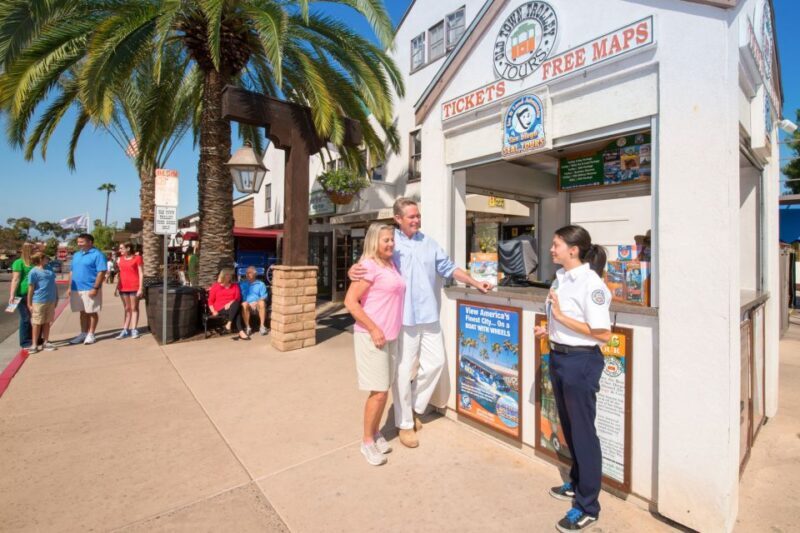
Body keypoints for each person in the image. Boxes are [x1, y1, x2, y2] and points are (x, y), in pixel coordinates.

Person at [350, 198, 492, 448]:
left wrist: (475, 282)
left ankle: (413, 407)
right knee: (403, 371)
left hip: (429, 315)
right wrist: (354, 270)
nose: (416, 220)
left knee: (435, 363)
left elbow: (449, 268)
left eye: (418, 216)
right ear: (398, 219)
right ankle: (404, 424)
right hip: (403, 319)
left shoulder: (428, 243)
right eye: (411, 217)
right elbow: (370, 260)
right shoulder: (389, 241)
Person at [533, 225, 611, 533]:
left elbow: (603, 334)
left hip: (581, 362)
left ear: (573, 250)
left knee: (583, 433)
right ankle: (577, 484)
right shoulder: (562, 277)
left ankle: (588, 505)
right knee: (569, 428)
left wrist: (563, 320)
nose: (552, 249)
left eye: (556, 245)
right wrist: (550, 330)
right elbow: (563, 317)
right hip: (560, 356)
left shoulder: (591, 283)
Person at [344, 223, 406, 466]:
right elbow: (350, 301)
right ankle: (367, 441)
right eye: (385, 241)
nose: (390, 244)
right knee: (378, 392)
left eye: (392, 239)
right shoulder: (368, 266)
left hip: (390, 336)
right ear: (374, 242)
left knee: (383, 390)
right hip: (373, 337)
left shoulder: (389, 264)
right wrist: (373, 328)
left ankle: (376, 431)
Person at [67, 233, 108, 345]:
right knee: (82, 312)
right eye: (78, 242)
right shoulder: (76, 255)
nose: (79, 244)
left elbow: (101, 272)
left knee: (92, 312)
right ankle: (83, 333)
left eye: (81, 242)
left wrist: (95, 288)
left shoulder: (98, 255)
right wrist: (69, 287)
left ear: (90, 242)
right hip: (76, 289)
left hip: (90, 288)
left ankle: (91, 334)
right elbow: (72, 271)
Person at [26, 252, 58, 352]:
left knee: (47, 321)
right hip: (39, 300)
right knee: (37, 323)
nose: (47, 259)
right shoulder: (33, 272)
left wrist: (56, 297)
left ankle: (46, 342)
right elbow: (31, 288)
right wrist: (29, 303)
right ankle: (34, 344)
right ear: (40, 259)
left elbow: (53, 283)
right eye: (45, 258)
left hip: (50, 300)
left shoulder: (49, 269)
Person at [208, 268, 249, 340]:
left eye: (230, 275)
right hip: (220, 308)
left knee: (236, 304)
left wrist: (230, 303)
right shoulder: (216, 286)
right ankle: (241, 332)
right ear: (223, 276)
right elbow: (210, 301)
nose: (229, 276)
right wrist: (213, 311)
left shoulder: (235, 285)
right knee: (237, 310)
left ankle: (229, 324)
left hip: (232, 306)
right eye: (227, 275)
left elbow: (238, 297)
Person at [115, 242, 144, 339]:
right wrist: (117, 287)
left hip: (134, 286)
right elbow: (120, 274)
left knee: (134, 308)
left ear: (128, 248)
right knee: (127, 308)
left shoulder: (137, 258)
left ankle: (134, 329)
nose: (120, 250)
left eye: (121, 248)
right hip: (123, 287)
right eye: (120, 248)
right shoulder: (120, 260)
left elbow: (141, 273)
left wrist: (140, 287)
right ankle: (125, 329)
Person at [9, 242, 34, 349]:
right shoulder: (18, 263)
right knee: (25, 318)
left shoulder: (34, 262)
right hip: (22, 293)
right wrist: (12, 295)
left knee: (34, 318)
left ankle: (34, 338)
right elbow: (15, 279)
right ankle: (25, 342)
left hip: (34, 293)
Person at [239, 266, 269, 336]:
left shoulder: (260, 284)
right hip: (247, 304)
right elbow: (239, 295)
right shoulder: (242, 284)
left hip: (257, 304)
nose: (247, 274)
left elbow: (264, 296)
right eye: (246, 273)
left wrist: (257, 302)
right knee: (244, 304)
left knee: (262, 303)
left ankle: (262, 326)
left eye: (249, 273)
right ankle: (247, 327)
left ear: (255, 274)